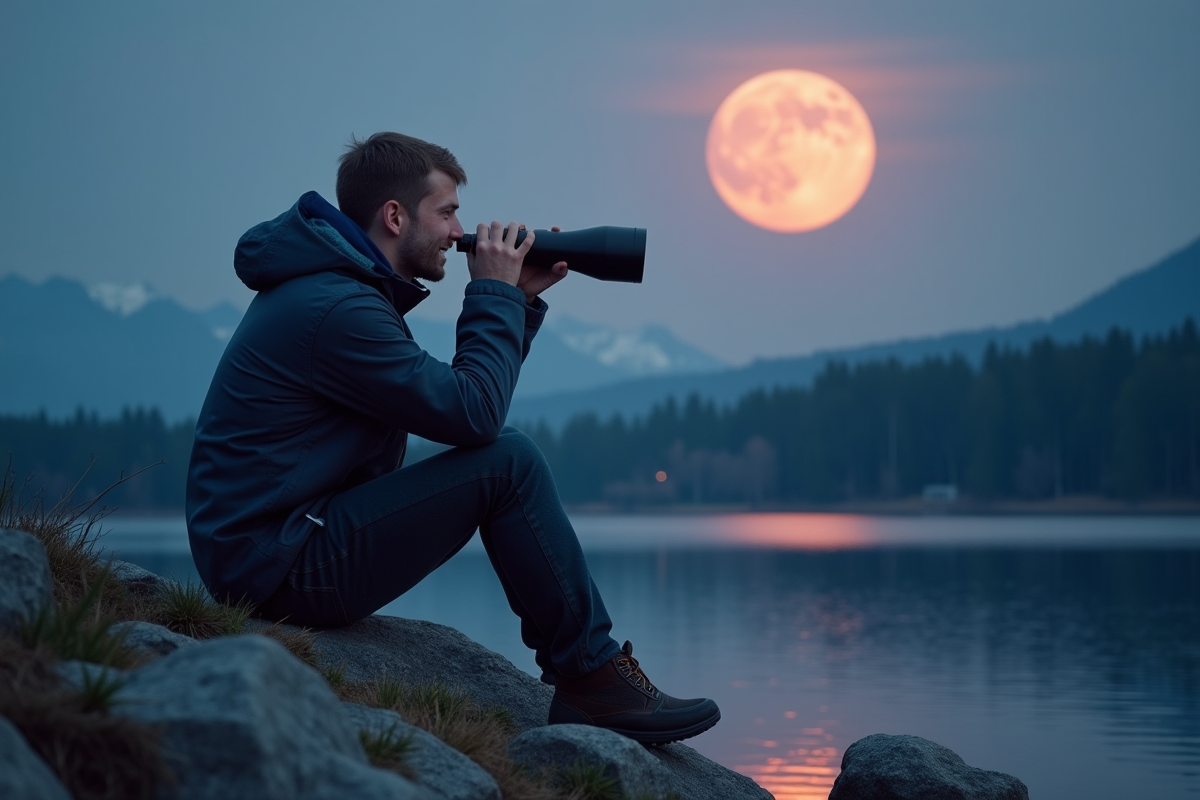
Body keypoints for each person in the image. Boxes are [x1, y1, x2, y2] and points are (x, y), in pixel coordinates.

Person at [185, 131, 720, 744]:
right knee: (506, 462)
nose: (456, 230)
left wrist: (514, 301)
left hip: (274, 548)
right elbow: (473, 415)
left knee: (501, 458)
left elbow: (458, 406)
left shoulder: (337, 291)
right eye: (446, 212)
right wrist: (494, 293)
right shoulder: (338, 308)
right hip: (278, 566)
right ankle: (592, 677)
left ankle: (590, 672)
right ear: (394, 216)